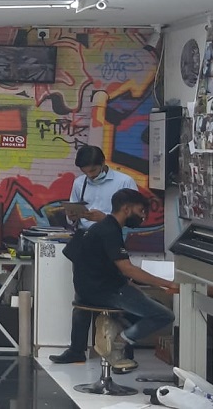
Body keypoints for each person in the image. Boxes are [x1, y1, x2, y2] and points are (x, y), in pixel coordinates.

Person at [67, 188, 178, 373]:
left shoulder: (102, 227)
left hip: (89, 290)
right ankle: (118, 344)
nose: (142, 216)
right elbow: (127, 268)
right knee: (164, 315)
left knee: (147, 303)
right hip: (105, 292)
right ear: (126, 209)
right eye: (140, 211)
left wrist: (131, 285)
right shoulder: (110, 231)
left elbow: (106, 266)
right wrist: (167, 283)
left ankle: (117, 335)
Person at [49, 145, 138, 365]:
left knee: (116, 296)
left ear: (103, 163)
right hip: (85, 243)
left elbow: (134, 218)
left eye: (93, 171)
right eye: (85, 171)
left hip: (110, 244)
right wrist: (72, 215)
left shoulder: (124, 182)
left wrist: (105, 218)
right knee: (82, 296)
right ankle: (77, 349)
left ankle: (122, 349)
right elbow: (71, 216)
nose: (90, 175)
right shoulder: (80, 183)